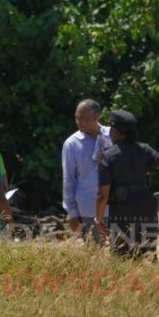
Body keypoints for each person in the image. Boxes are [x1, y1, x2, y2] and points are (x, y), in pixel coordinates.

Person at [95, 110, 159, 259]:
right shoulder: (144, 149)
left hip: (122, 214)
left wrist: (99, 219)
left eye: (111, 127)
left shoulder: (107, 157)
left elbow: (102, 196)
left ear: (117, 131)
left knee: (122, 260)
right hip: (147, 211)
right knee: (148, 257)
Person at [62, 99, 112, 241]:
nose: (80, 123)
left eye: (85, 119)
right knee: (94, 255)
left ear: (97, 117)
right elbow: (68, 180)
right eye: (77, 118)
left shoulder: (113, 135)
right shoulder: (71, 144)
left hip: (115, 205)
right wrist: (72, 213)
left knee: (121, 254)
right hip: (88, 209)